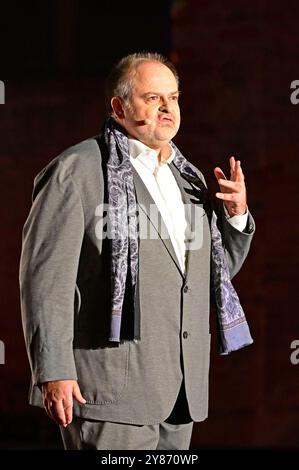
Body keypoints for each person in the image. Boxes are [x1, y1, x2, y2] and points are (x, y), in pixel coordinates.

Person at [19, 52, 255, 450]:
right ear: (119, 106)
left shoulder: (190, 179)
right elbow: (44, 280)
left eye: (174, 98)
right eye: (152, 98)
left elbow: (208, 278)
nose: (167, 108)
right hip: (108, 392)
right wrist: (53, 369)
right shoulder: (76, 172)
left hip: (180, 394)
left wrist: (235, 216)